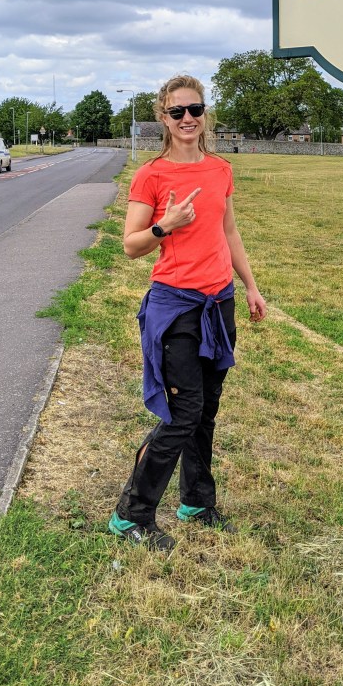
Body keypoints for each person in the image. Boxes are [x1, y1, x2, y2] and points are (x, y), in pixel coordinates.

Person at [109, 73, 266, 551]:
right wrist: (166, 225)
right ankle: (131, 514)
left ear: (204, 114)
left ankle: (196, 502)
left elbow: (229, 232)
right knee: (183, 413)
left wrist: (251, 286)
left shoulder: (220, 170)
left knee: (206, 410)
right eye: (177, 111)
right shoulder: (151, 175)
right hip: (175, 307)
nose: (187, 119)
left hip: (219, 304)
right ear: (163, 117)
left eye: (194, 109)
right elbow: (131, 245)